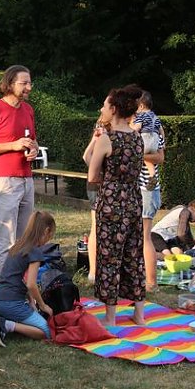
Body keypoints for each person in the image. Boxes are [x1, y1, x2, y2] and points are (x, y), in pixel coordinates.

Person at [88, 85, 146, 326]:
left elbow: (92, 177)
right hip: (134, 200)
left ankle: (111, 317)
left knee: (110, 257)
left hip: (112, 203)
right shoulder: (136, 137)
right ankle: (139, 315)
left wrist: (110, 180)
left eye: (105, 106)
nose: (102, 109)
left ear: (113, 109)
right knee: (134, 256)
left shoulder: (107, 139)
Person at [0, 65, 39, 278]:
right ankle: (3, 286)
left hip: (27, 179)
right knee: (6, 239)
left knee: (23, 238)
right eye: (24, 83)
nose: (29, 87)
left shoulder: (28, 109)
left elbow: (31, 140)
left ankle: (17, 282)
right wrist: (12, 145)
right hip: (4, 181)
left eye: (30, 82)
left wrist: (34, 149)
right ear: (10, 84)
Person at [0, 211, 56, 347]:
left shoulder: (18, 246)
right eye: (51, 235)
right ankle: (6, 325)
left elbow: (21, 278)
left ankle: (1, 323)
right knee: (45, 331)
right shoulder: (35, 252)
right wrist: (43, 305)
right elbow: (31, 284)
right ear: (46, 231)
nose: (49, 239)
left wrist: (31, 302)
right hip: (11, 303)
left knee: (31, 320)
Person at [136, 92, 166, 292]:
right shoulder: (157, 124)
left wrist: (138, 154)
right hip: (150, 186)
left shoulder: (137, 127)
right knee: (141, 235)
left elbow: (160, 157)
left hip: (144, 188)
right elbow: (159, 157)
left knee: (144, 236)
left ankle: (150, 281)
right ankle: (144, 279)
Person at [81, 116, 110, 284]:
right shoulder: (104, 137)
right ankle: (93, 271)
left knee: (97, 228)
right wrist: (95, 139)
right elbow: (86, 157)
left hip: (97, 186)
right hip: (97, 186)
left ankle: (95, 271)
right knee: (97, 228)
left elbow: (86, 156)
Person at [130, 91, 163, 190]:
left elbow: (160, 158)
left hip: (145, 189)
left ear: (140, 106)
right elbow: (161, 130)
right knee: (145, 158)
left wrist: (131, 128)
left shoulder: (141, 117)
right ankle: (152, 176)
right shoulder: (155, 117)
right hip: (154, 140)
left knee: (140, 155)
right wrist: (163, 140)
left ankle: (152, 177)